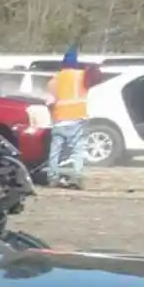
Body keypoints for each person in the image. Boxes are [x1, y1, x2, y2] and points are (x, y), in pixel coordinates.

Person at [46, 48, 88, 188]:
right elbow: (96, 76)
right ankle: (77, 177)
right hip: (76, 118)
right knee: (77, 149)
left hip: (58, 120)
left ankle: (52, 177)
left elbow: (50, 102)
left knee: (55, 151)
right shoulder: (81, 76)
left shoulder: (54, 79)